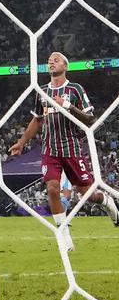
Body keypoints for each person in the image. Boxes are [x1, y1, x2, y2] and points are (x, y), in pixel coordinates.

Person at [8, 52, 119, 250]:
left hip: (72, 149)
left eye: (56, 59)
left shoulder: (75, 89)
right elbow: (37, 120)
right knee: (52, 189)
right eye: (49, 60)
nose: (51, 61)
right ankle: (64, 235)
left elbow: (91, 119)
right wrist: (22, 142)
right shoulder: (41, 92)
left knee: (88, 195)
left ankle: (108, 202)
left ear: (65, 66)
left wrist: (66, 105)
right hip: (49, 150)